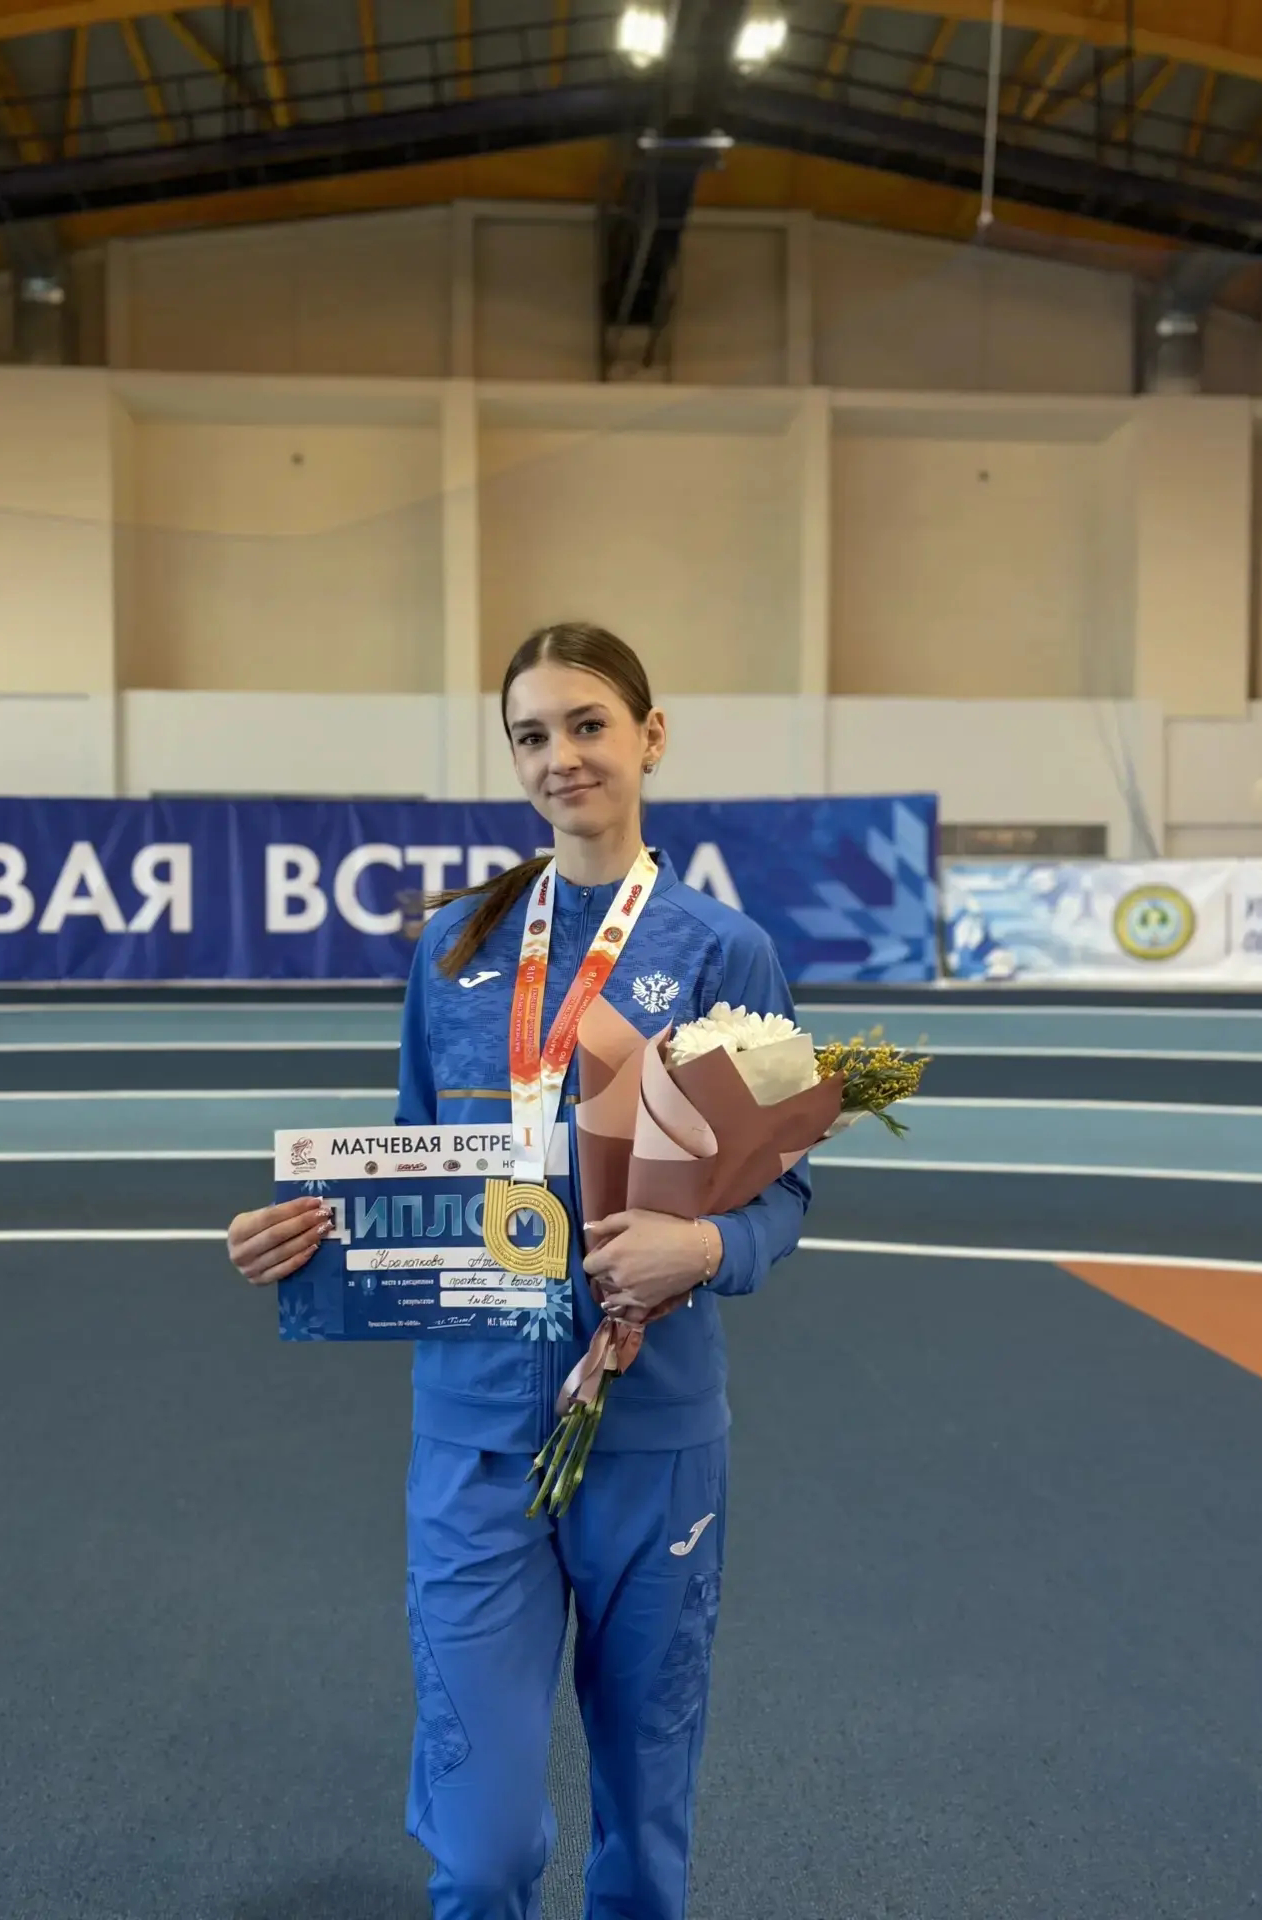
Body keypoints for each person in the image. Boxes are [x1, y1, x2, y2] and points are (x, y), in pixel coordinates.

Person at [227, 623, 811, 1920]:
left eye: (588, 725)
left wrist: (705, 1245)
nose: (562, 758)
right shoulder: (453, 948)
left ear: (651, 737)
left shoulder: (726, 951)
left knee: (644, 1819)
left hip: (651, 1430)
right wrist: (305, 1236)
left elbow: (782, 1191)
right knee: (483, 1846)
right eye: (532, 736)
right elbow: (411, 1162)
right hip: (476, 1435)